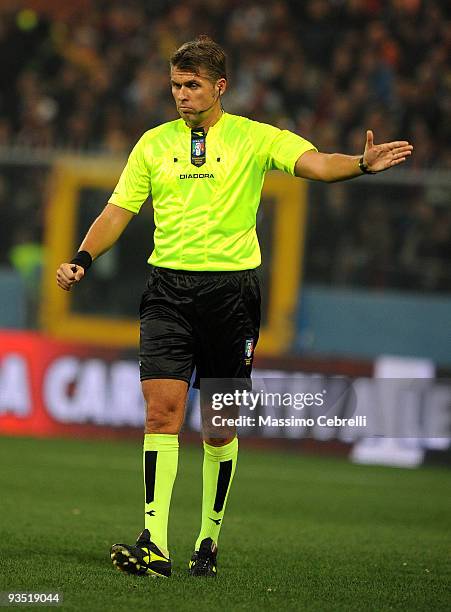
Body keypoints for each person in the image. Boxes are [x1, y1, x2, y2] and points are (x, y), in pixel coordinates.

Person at [56, 36, 413, 578]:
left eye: (192, 85)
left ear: (220, 87)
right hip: (167, 293)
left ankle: (208, 539)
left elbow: (315, 164)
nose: (181, 95)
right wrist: (82, 256)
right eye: (175, 85)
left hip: (232, 297)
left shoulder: (254, 137)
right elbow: (117, 210)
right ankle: (154, 543)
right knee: (161, 413)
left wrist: (360, 164)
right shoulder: (152, 144)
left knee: (218, 426)